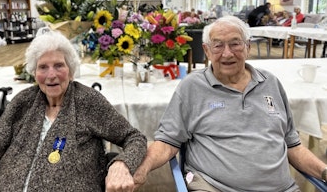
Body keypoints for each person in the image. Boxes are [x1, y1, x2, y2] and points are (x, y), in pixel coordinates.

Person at [133, 15, 327, 191]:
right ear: (207, 51)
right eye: (218, 45)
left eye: (235, 44)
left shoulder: (270, 83)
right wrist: (142, 167)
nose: (227, 54)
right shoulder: (192, 87)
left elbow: (293, 146)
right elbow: (167, 141)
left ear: (248, 47)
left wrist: (324, 172)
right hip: (215, 187)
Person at [0, 31, 147, 192]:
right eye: (43, 67)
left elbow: (134, 138)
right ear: (34, 73)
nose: (51, 75)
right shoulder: (22, 102)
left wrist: (122, 164)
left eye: (59, 65)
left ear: (71, 71)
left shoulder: (87, 101)